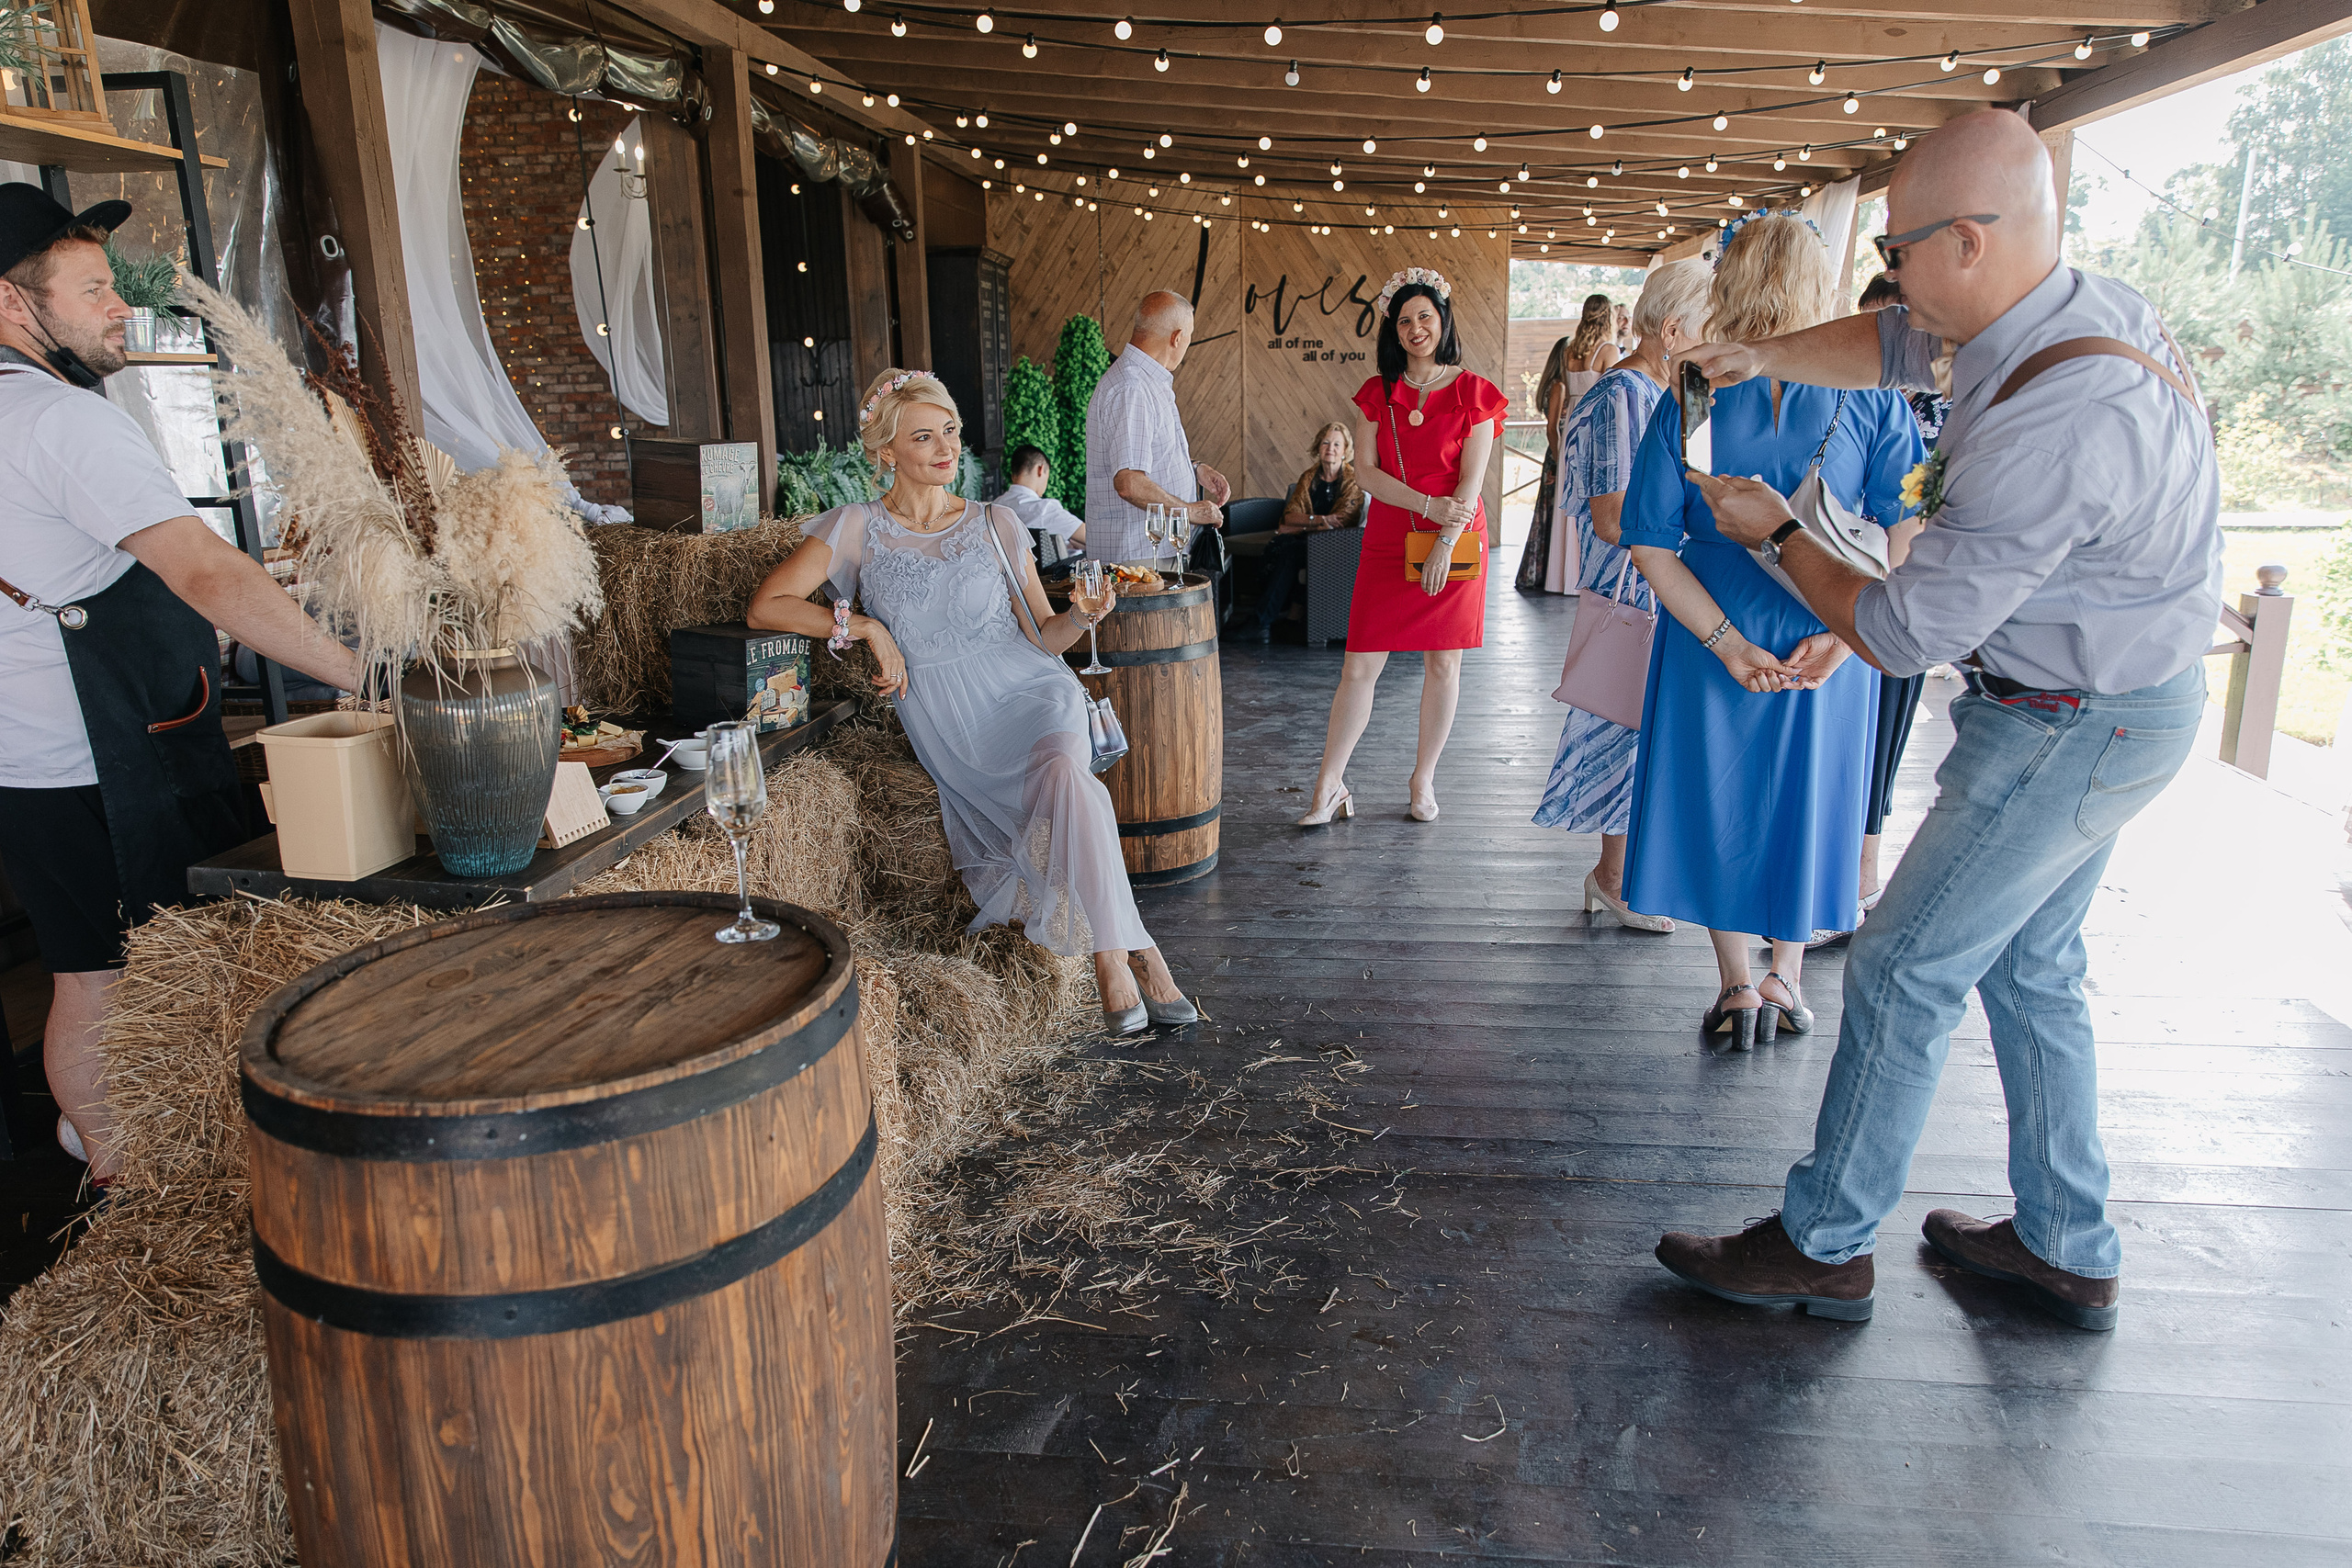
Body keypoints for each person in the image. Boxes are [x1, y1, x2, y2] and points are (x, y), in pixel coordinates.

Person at [1656, 108, 2221, 1331]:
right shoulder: (2068, 312)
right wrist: (1775, 356)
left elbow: (1906, 633)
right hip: (2126, 700)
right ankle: (2066, 1241)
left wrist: (1781, 534)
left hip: (2074, 722)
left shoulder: (2053, 421)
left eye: (1901, 249)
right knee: (2034, 964)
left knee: (1908, 965)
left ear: (1969, 240)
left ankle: (1824, 1240)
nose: (1891, 276)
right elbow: (1896, 340)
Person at [0, 184, 364, 1177]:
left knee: (84, 971)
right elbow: (207, 571)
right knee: (131, 979)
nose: (119, 306)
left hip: (26, 764)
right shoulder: (59, 421)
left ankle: (119, 1171)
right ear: (11, 304)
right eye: (91, 289)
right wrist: (361, 672)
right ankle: (140, 1180)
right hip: (103, 759)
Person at [747, 370, 1197, 1035]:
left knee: (1068, 774)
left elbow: (1046, 638)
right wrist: (867, 626)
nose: (944, 446)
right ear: (887, 451)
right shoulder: (855, 528)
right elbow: (766, 606)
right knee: (1076, 790)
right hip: (955, 720)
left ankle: (1115, 957)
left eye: (950, 431)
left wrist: (1082, 614)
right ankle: (1141, 950)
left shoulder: (997, 522)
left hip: (1035, 693)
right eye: (923, 435)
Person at [1615, 211, 1923, 1048]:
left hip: (1712, 622)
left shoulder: (1695, 392)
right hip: (1832, 620)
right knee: (1809, 798)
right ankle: (1786, 971)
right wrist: (1853, 631)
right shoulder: (1869, 396)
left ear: (1730, 281)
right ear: (1818, 287)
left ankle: (1737, 985)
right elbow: (1903, 523)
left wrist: (1725, 644)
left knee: (1721, 798)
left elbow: (1649, 540)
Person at [1531, 259, 1713, 933]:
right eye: (1706, 329)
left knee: (1654, 735)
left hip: (1667, 581)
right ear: (1672, 329)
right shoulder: (1618, 397)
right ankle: (1612, 877)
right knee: (1620, 733)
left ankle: (1636, 870)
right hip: (1628, 588)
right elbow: (1609, 514)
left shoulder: (1679, 395)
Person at [1297, 267, 1506, 827]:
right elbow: (1364, 473)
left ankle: (1423, 779)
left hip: (1457, 538)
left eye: (1426, 318)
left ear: (1442, 322)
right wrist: (1425, 506)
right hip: (1392, 537)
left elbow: (1470, 481)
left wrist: (1443, 539)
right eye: (1406, 319)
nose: (1416, 328)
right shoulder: (1376, 392)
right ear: (1392, 327)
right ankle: (1328, 785)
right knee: (1359, 665)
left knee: (1444, 664)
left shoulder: (1475, 393)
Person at [1084, 290, 1230, 566]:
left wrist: (1195, 468)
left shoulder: (1145, 381)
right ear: (1177, 337)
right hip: (1140, 559)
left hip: (1150, 554)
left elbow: (1147, 454)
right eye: (1189, 336)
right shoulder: (1132, 387)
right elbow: (1129, 483)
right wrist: (1188, 511)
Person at [1245, 422, 1363, 644]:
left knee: (1288, 550)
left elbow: (1340, 523)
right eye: (1326, 442)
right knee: (1280, 549)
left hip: (1337, 545)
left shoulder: (1352, 481)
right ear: (1318, 447)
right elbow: (1290, 516)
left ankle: (1262, 622)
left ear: (1346, 450)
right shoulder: (1309, 477)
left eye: (1337, 444)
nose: (1331, 448)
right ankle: (1277, 619)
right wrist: (1319, 521)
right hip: (1306, 542)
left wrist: (1307, 526)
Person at [1542, 295, 1623, 594]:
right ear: (1608, 317)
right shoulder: (1609, 351)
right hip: (1594, 424)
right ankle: (1585, 575)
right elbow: (1615, 392)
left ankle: (1561, 577)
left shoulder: (1569, 350)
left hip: (1570, 427)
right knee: (1592, 500)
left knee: (1568, 502)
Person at [1509, 329, 1574, 593]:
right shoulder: (1558, 385)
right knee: (1549, 513)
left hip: (1556, 452)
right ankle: (1544, 572)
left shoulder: (1558, 384)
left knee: (1549, 514)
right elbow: (1551, 428)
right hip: (1556, 453)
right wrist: (1560, 463)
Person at [994, 443, 1085, 563]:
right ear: (1040, 469)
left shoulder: (995, 506)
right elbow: (1092, 536)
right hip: (1056, 577)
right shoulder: (1045, 509)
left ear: (1013, 474)